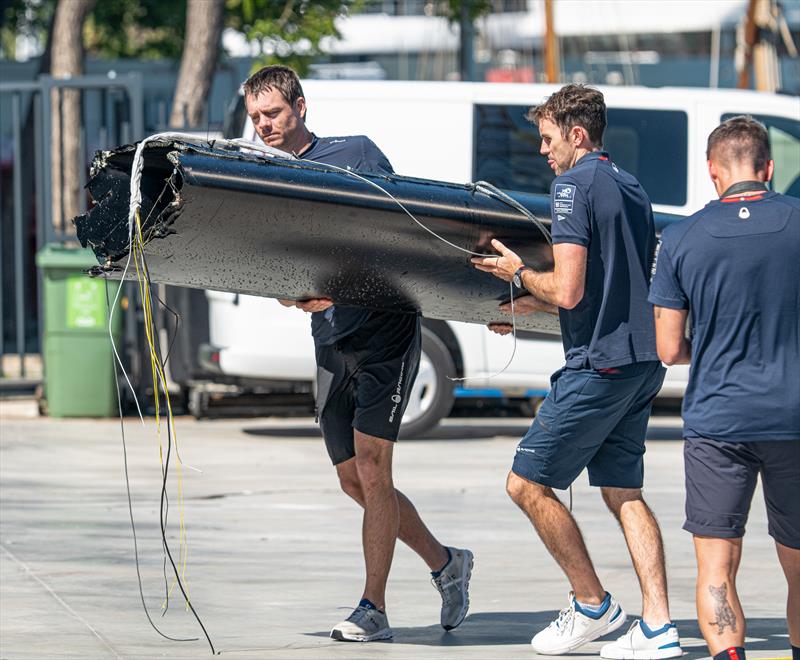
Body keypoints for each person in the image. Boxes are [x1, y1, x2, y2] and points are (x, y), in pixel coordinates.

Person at [242, 65, 473, 642]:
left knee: (374, 469)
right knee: (354, 481)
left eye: (272, 113)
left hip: (386, 331)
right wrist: (289, 290)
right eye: (254, 119)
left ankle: (373, 607)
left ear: (300, 106)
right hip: (330, 341)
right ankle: (447, 562)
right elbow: (278, 259)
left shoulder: (356, 154)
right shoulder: (262, 174)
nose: (263, 126)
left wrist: (343, 288)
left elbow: (398, 234)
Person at [472, 84, 681, 658]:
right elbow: (608, 283)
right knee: (623, 491)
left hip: (601, 365)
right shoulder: (632, 188)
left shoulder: (571, 186)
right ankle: (659, 626)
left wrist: (519, 275)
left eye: (547, 139)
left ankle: (592, 604)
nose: (543, 151)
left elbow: (568, 288)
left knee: (526, 483)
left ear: (576, 134)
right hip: (640, 362)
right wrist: (528, 307)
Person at [649, 115, 800, 660]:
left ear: (712, 172)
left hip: (719, 420)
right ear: (769, 168)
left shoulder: (683, 237)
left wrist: (709, 345)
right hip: (795, 414)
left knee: (716, 563)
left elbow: (668, 349)